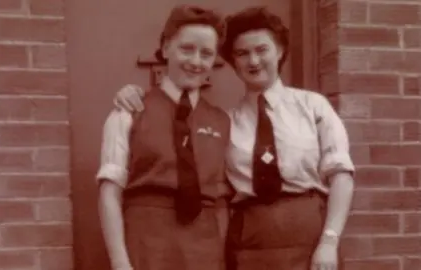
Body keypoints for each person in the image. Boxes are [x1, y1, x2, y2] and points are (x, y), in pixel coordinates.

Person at [113, 6, 355, 270]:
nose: (253, 61)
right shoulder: (223, 122)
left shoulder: (313, 106)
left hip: (309, 234)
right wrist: (132, 95)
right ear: (232, 62)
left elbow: (341, 174)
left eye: (262, 50)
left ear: (280, 51)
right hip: (248, 241)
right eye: (242, 53)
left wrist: (329, 241)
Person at [96, 5, 231, 270]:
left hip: (203, 249)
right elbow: (109, 193)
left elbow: (221, 202)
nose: (195, 61)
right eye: (187, 49)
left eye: (206, 53)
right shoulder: (130, 110)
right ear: (166, 47)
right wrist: (120, 262)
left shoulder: (221, 120)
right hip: (147, 243)